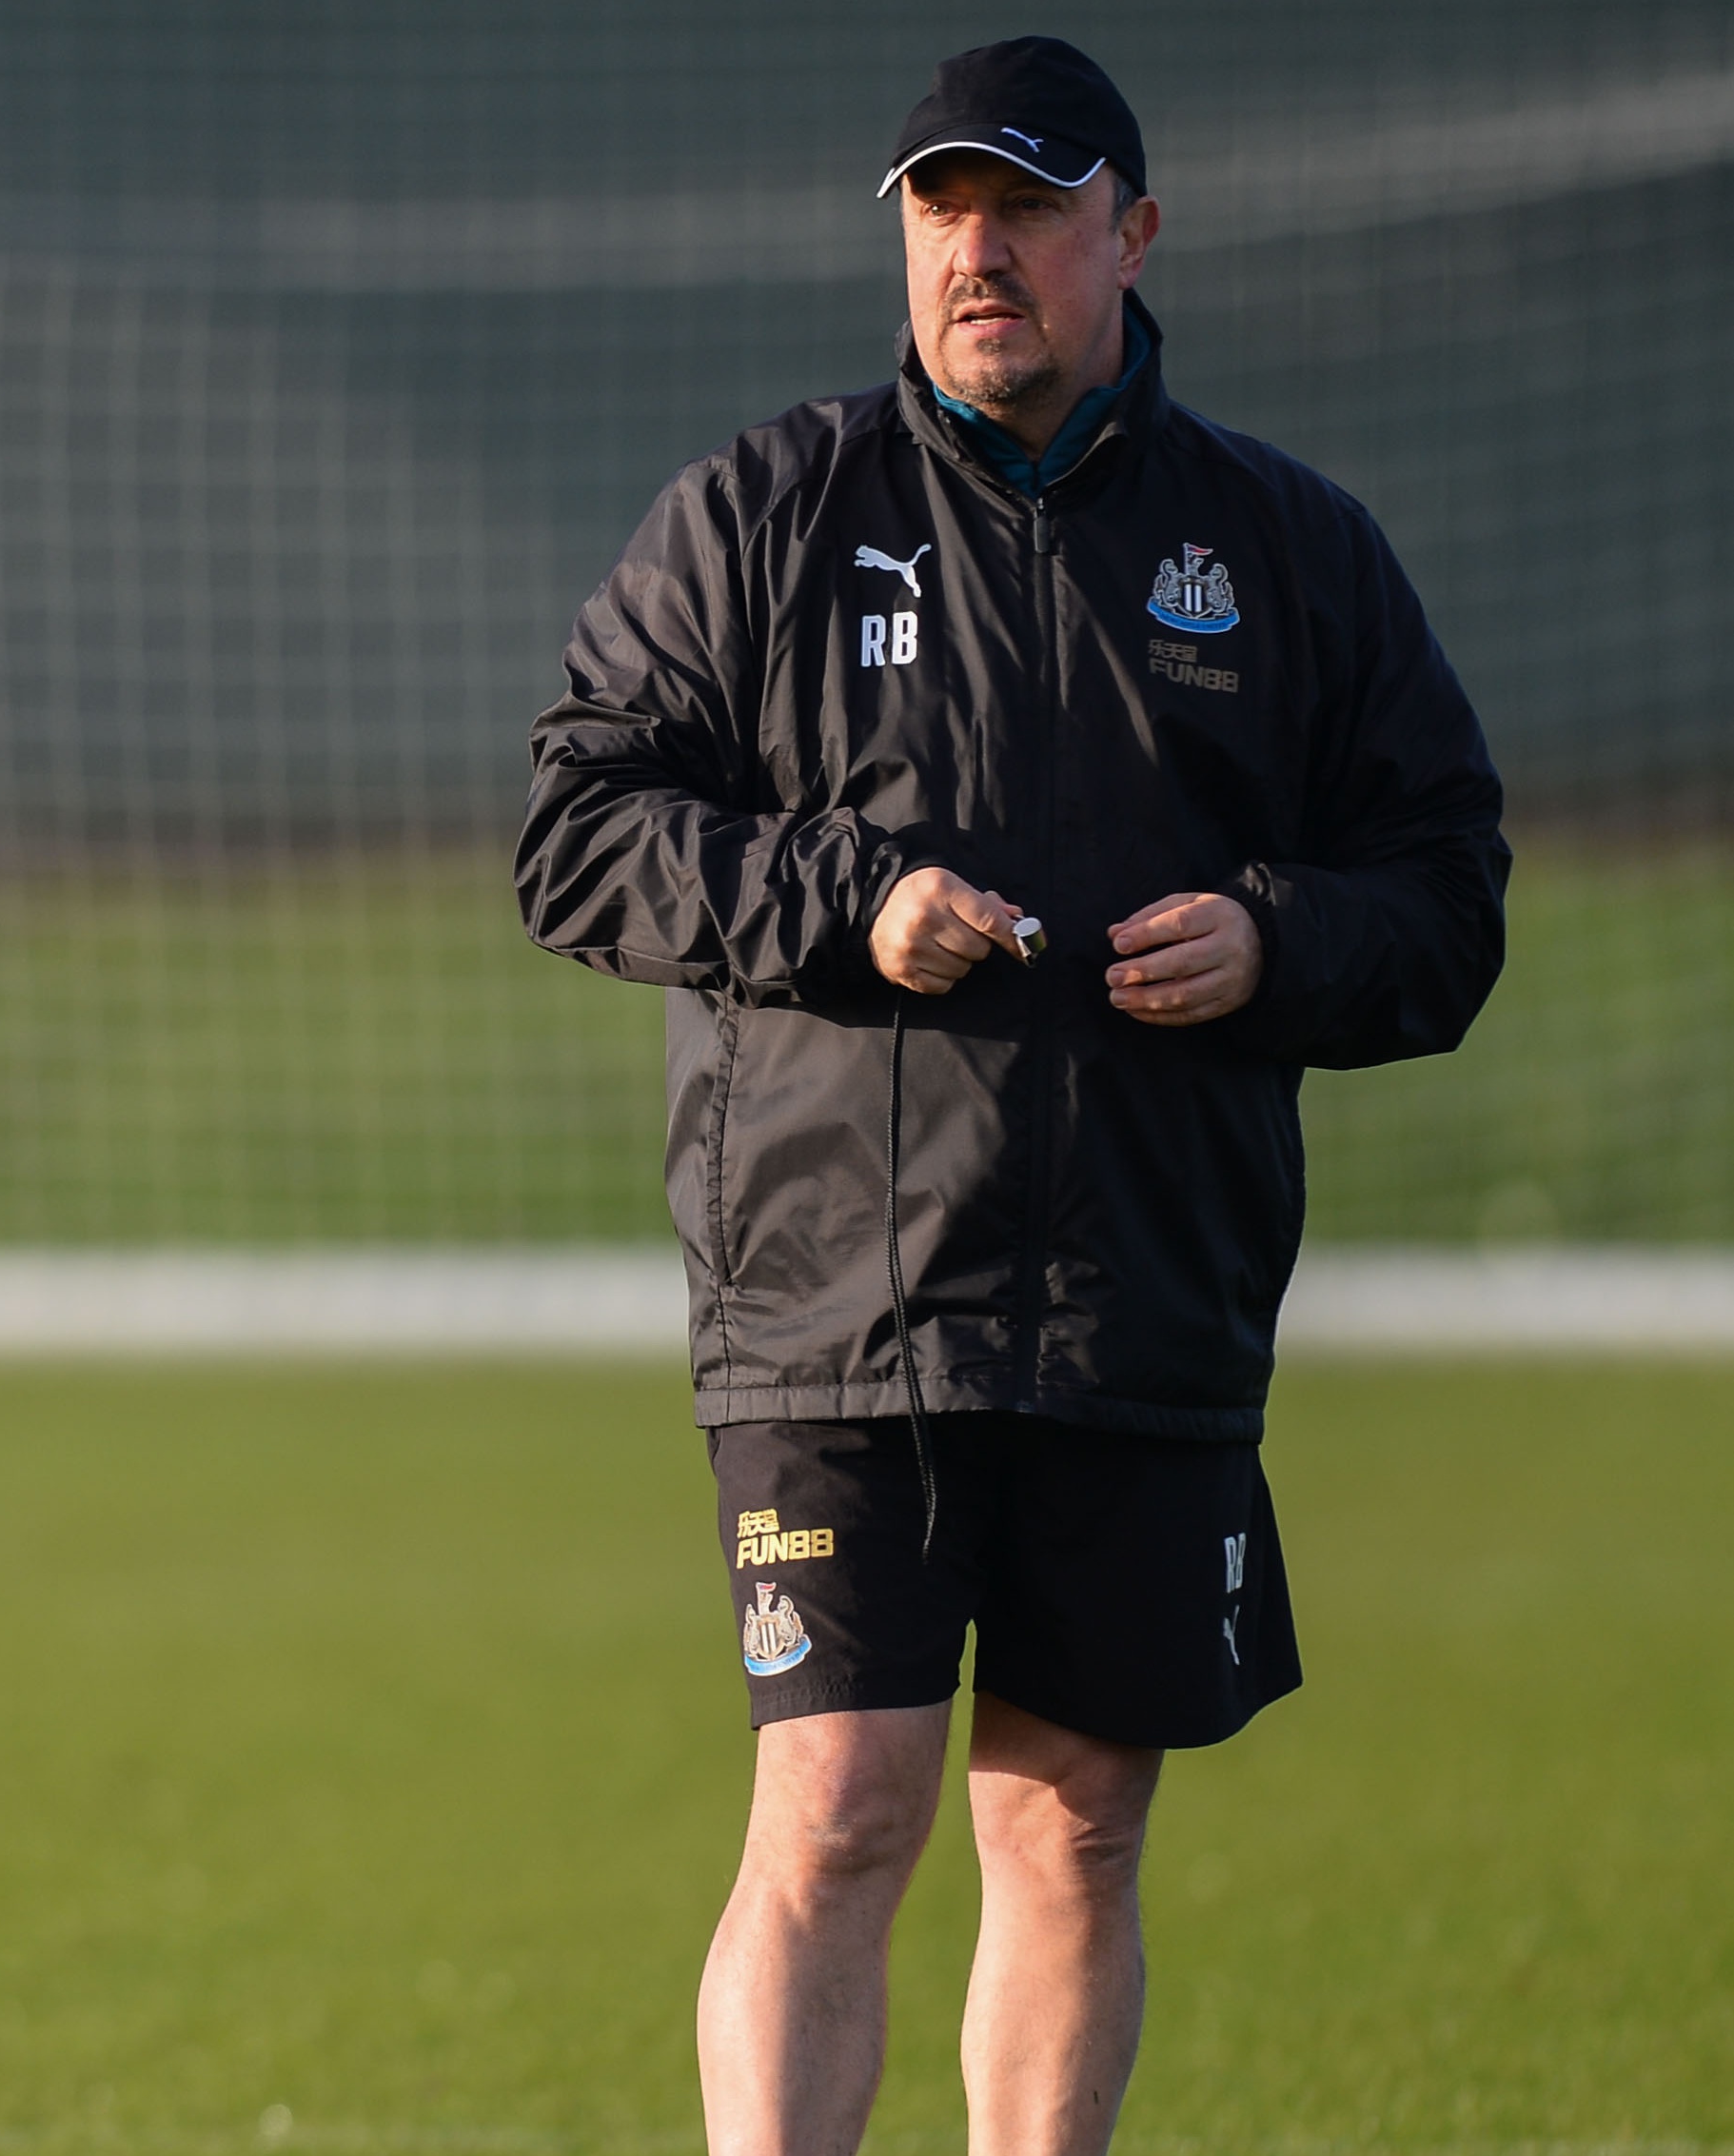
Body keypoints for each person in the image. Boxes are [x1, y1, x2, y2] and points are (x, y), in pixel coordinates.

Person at [512, 37, 1508, 2156]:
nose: (978, 250)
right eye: (938, 212)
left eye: (1028, 207)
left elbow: (1446, 895)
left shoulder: (1285, 549)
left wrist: (1276, 940)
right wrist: (843, 904)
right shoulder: (763, 517)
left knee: (1073, 1828)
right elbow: (577, 833)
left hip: (1141, 1286)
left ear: (1132, 236)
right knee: (843, 1799)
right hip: (833, 1289)